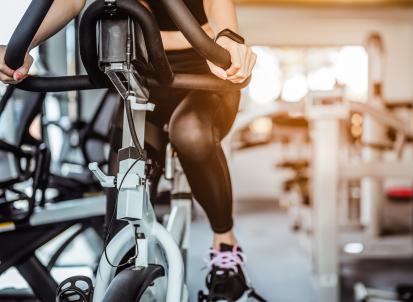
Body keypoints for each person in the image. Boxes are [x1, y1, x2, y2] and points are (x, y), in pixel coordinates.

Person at [0, 0, 260, 301]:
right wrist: (20, 46)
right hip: (143, 80)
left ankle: (224, 246)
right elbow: (71, 0)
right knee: (124, 193)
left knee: (190, 132)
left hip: (204, 77)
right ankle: (118, 266)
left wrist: (225, 39)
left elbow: (216, 5)